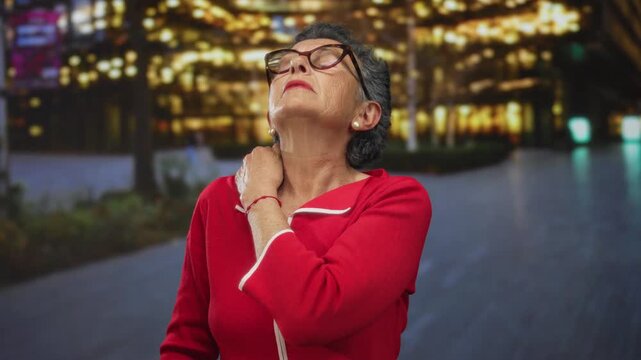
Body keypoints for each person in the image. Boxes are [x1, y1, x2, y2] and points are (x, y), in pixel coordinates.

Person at [160, 23, 432, 360]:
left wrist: (259, 197)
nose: (296, 66)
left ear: (365, 114)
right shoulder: (217, 200)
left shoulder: (397, 200)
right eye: (285, 63)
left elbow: (314, 315)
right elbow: (187, 346)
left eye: (326, 59)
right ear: (269, 116)